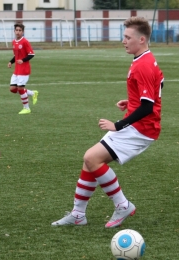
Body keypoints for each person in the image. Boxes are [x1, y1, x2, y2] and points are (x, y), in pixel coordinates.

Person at [52, 16, 164, 228]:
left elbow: (148, 107)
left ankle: (122, 205)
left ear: (141, 39)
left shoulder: (144, 65)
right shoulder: (144, 60)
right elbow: (151, 94)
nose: (123, 41)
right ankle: (78, 214)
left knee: (92, 158)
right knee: (89, 161)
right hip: (138, 124)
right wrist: (131, 102)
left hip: (141, 129)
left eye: (127, 37)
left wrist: (118, 125)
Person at [8, 23, 38, 115]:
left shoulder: (25, 42)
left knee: (20, 89)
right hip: (17, 70)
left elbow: (32, 54)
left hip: (24, 69)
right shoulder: (13, 42)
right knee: (13, 89)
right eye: (16, 30)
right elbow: (15, 56)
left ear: (23, 32)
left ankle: (26, 108)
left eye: (20, 30)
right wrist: (10, 62)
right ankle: (32, 93)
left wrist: (23, 60)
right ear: (14, 31)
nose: (18, 32)